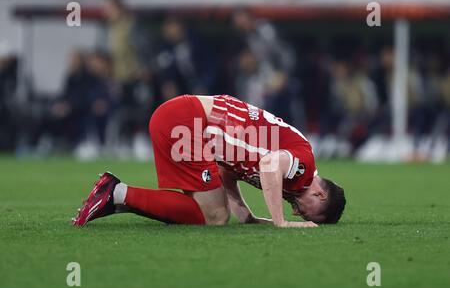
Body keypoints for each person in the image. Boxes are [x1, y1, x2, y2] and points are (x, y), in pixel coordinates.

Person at [72, 94, 346, 228]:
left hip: (184, 119)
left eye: (300, 215)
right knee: (214, 216)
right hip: (187, 122)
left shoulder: (294, 173)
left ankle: (116, 201)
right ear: (320, 194)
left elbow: (230, 170)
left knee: (209, 213)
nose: (298, 212)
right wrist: (280, 221)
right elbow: (269, 166)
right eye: (307, 212)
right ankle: (117, 193)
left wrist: (247, 216)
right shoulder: (303, 168)